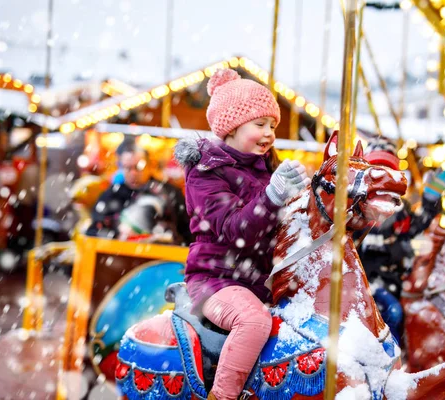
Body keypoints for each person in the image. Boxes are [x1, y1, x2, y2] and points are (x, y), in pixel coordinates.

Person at [173, 69, 309, 400]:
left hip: (262, 280)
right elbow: (235, 231)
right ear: (232, 127)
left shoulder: (265, 169)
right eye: (260, 124)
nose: (269, 134)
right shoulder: (206, 173)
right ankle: (223, 395)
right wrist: (274, 196)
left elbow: (281, 227)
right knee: (254, 321)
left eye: (273, 126)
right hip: (216, 279)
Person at [357, 138, 445, 340]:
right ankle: (388, 358)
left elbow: (417, 225)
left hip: (394, 280)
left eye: (387, 170)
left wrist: (431, 200)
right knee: (393, 312)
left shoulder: (398, 208)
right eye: (377, 170)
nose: (383, 178)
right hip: (364, 281)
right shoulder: (358, 204)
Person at [86, 139, 193, 244]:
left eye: (138, 167)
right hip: (120, 256)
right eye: (128, 168)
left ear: (150, 165)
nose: (133, 173)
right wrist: (116, 236)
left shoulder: (170, 193)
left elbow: (188, 232)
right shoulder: (111, 196)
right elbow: (93, 231)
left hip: (164, 258)